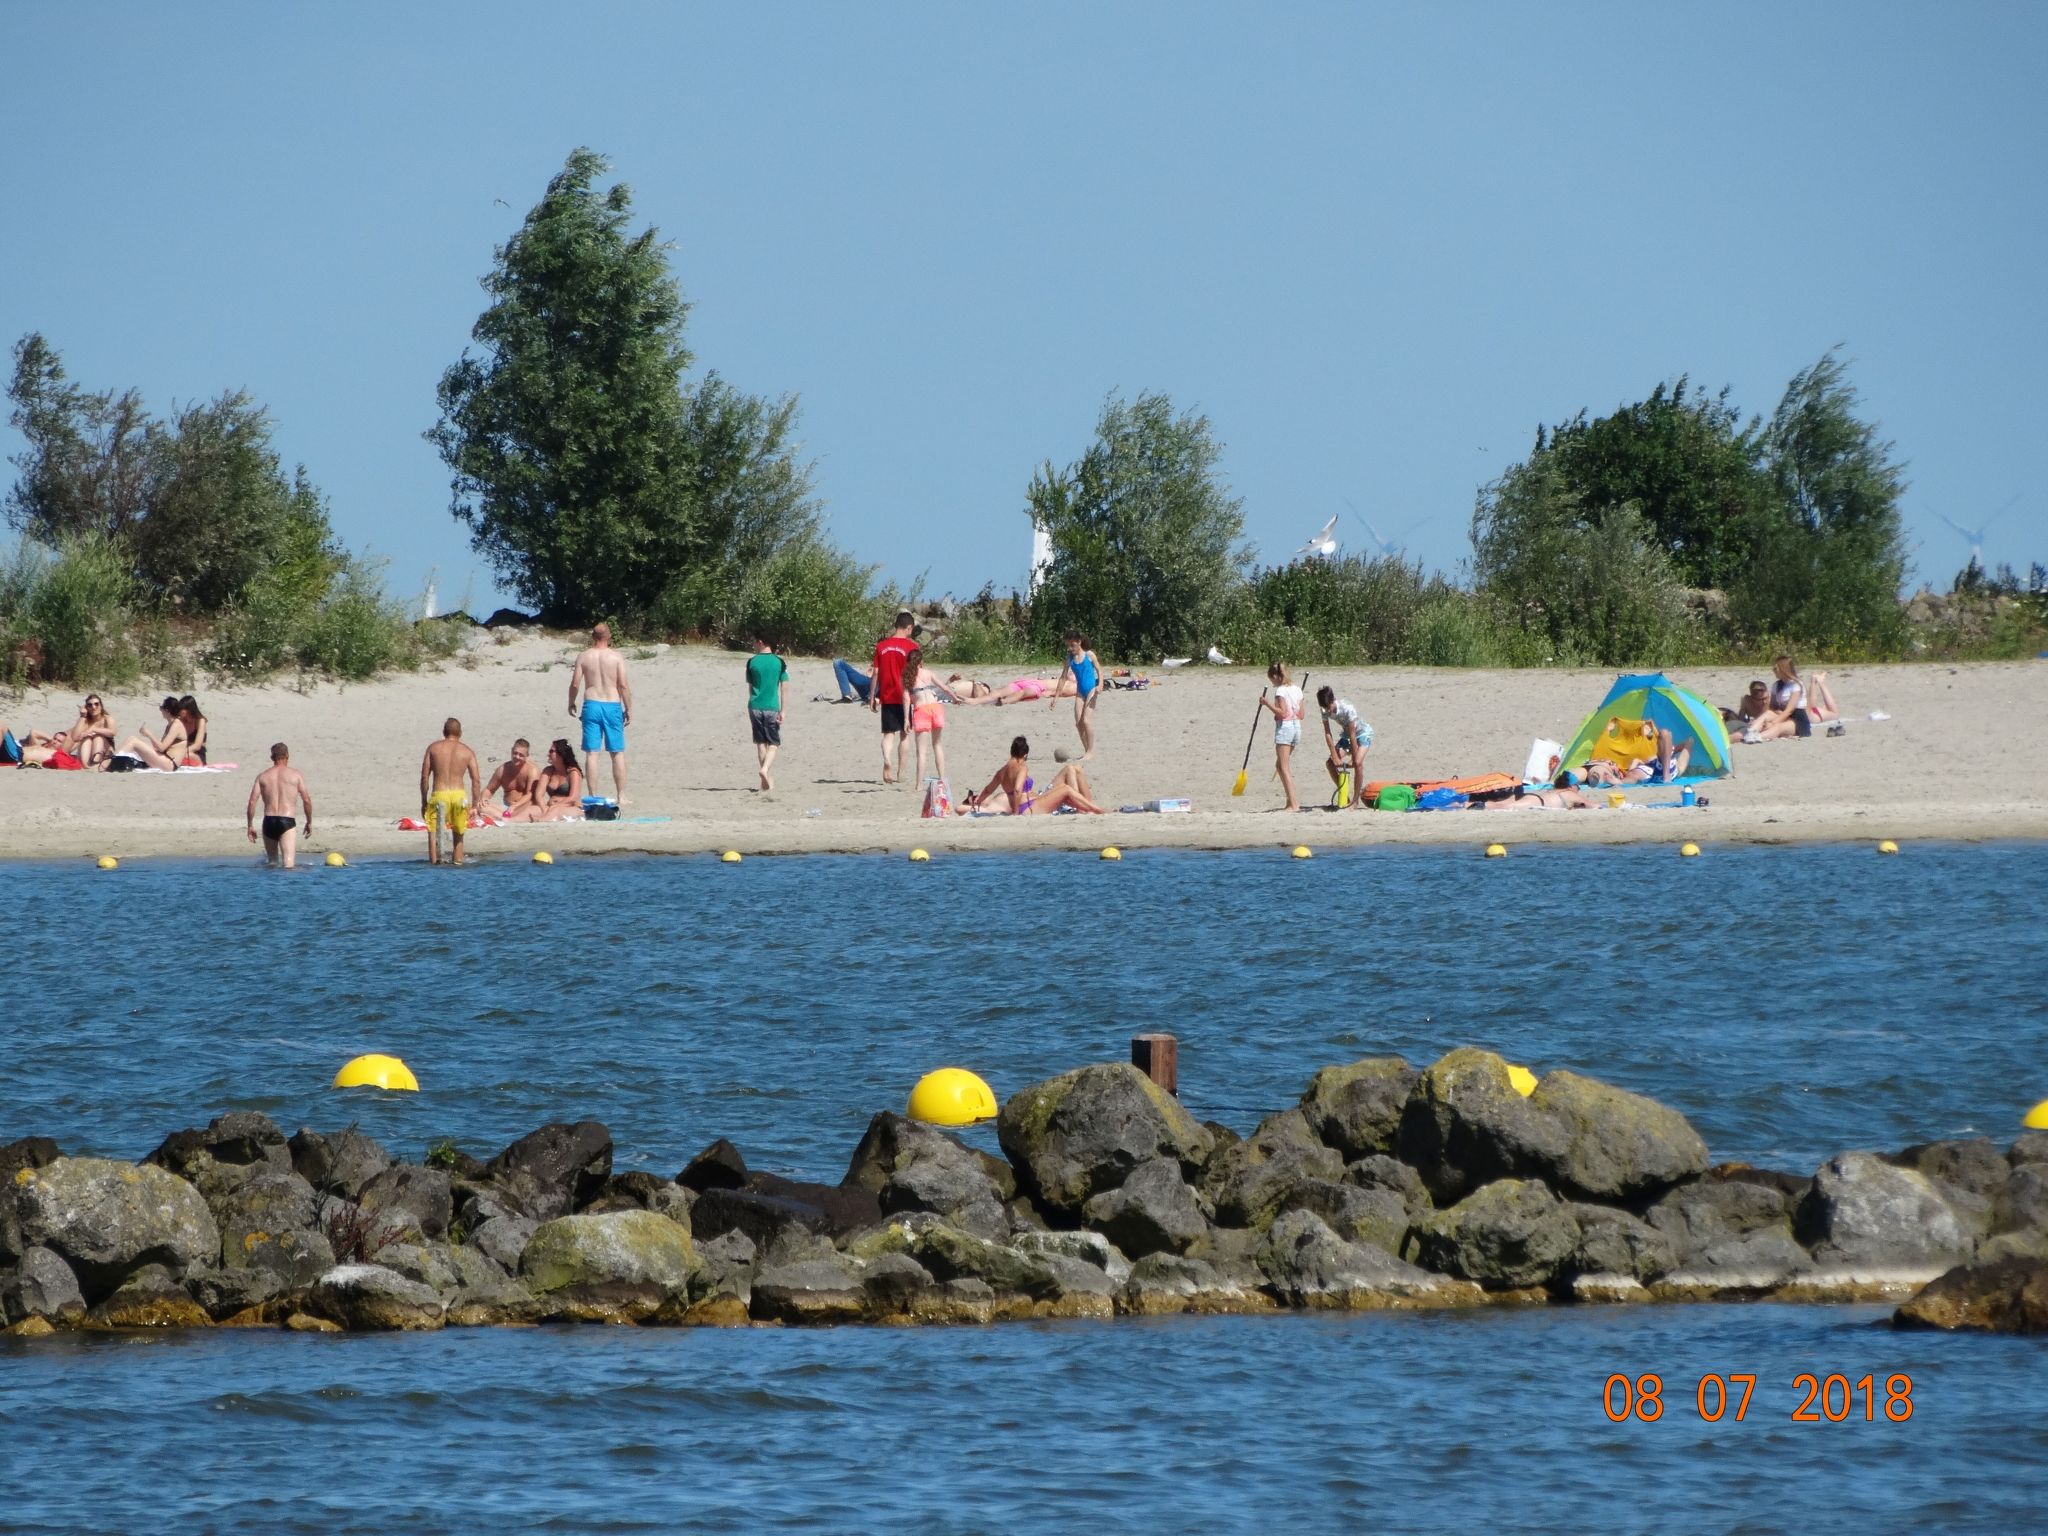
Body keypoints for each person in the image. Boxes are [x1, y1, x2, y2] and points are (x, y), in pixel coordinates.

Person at [957, 735, 1105, 815]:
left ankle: (1088, 807)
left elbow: (988, 790)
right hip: (1029, 807)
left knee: (1074, 768)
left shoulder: (1002, 771)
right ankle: (1093, 810)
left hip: (1036, 798)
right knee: (1065, 788)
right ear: (1025, 754)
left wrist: (976, 802)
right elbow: (1017, 789)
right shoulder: (1022, 767)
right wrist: (1015, 813)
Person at [568, 621, 633, 802]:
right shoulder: (616, 657)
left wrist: (571, 702)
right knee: (617, 752)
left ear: (592, 637)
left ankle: (593, 795)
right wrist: (628, 708)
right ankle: (621, 795)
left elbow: (575, 684)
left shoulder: (584, 656)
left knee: (592, 753)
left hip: (592, 704)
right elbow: (622, 685)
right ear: (609, 636)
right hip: (612, 704)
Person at [419, 716, 484, 865]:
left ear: (443, 732)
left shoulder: (433, 748)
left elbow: (424, 777)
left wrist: (424, 800)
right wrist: (474, 805)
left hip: (439, 794)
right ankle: (458, 863)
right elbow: (476, 780)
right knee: (458, 834)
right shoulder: (467, 751)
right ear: (460, 733)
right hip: (458, 796)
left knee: (433, 832)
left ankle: (434, 864)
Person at [870, 611, 919, 784]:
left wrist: (872, 696)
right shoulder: (912, 647)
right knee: (905, 734)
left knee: (888, 734)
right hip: (906, 695)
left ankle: (887, 760)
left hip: (887, 694)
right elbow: (916, 672)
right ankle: (901, 772)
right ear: (909, 627)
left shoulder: (881, 646)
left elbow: (875, 672)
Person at [247, 742, 313, 867]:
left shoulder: (263, 776)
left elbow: (252, 802)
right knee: (288, 864)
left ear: (272, 758)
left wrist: (250, 825)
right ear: (287, 756)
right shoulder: (296, 775)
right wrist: (309, 822)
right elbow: (306, 801)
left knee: (272, 864)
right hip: (286, 820)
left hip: (269, 820)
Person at [1316, 686, 1373, 809]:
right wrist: (1335, 757)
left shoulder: (1347, 709)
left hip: (1362, 734)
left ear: (1333, 701)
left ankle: (1355, 801)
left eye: (1328, 707)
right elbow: (1327, 733)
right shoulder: (1324, 709)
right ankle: (1345, 795)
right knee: (1330, 763)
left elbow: (1354, 735)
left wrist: (1354, 756)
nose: (1327, 711)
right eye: (1325, 708)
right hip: (1347, 736)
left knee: (1357, 763)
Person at [1259, 663, 1305, 812]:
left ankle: (1294, 804)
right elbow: (1301, 714)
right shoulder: (1298, 689)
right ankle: (1289, 802)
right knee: (1279, 766)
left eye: (1272, 680)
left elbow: (1282, 713)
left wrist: (1267, 704)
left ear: (1275, 677)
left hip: (1285, 729)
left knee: (1283, 767)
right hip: (1296, 727)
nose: (1272, 683)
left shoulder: (1280, 691)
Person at [904, 648, 951, 790]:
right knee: (937, 745)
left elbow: (906, 700)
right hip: (936, 708)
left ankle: (919, 784)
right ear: (921, 662)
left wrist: (906, 719)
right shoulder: (929, 673)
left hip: (921, 710)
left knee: (921, 752)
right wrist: (955, 698)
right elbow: (945, 688)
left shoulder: (907, 677)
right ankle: (942, 778)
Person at [1051, 631, 1102, 759]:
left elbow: (1099, 670)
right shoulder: (1069, 659)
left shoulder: (1089, 655)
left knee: (1086, 720)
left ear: (1079, 642)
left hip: (1091, 690)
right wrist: (1056, 697)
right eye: (1068, 646)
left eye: (1072, 645)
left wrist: (1100, 684)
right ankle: (1087, 750)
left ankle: (1091, 751)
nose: (1070, 648)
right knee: (1079, 723)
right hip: (1080, 692)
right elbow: (1063, 678)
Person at [746, 638, 788, 792]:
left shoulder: (751, 662)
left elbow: (751, 688)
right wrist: (783, 710)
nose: (753, 645)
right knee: (774, 743)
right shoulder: (779, 662)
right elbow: (784, 687)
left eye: (754, 642)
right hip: (771, 707)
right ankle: (765, 770)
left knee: (761, 742)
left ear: (760, 642)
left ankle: (767, 780)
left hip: (755, 706)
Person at [1742, 655, 1812, 743]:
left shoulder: (1796, 685)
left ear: (1783, 669)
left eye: (1776, 668)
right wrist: (1774, 713)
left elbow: (1789, 710)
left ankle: (1758, 736)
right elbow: (1772, 707)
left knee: (1778, 727)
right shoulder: (1777, 685)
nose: (1773, 671)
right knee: (1767, 714)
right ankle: (1750, 731)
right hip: (1783, 714)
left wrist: (1773, 723)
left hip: (1798, 719)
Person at [115, 697, 190, 771]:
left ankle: (112, 761)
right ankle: (113, 759)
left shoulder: (176, 725)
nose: (160, 710)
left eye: (161, 708)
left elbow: (161, 748)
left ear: (167, 710)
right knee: (131, 739)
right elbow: (160, 748)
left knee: (134, 742)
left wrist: (149, 734)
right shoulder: (171, 724)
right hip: (165, 759)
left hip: (170, 763)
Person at [483, 738, 543, 815]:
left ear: (527, 755)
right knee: (482, 807)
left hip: (525, 808)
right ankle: (505, 817)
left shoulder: (532, 770)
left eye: (521, 755)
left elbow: (530, 794)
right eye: (515, 753)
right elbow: (489, 789)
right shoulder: (502, 769)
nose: (517, 757)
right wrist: (484, 799)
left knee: (535, 810)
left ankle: (505, 818)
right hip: (506, 807)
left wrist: (515, 806)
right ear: (511, 751)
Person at [176, 696, 208, 766]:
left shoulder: (200, 721)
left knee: (185, 755)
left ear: (189, 710)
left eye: (181, 710)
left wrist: (180, 752)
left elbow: (197, 746)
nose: (178, 712)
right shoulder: (180, 721)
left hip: (197, 754)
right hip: (182, 751)